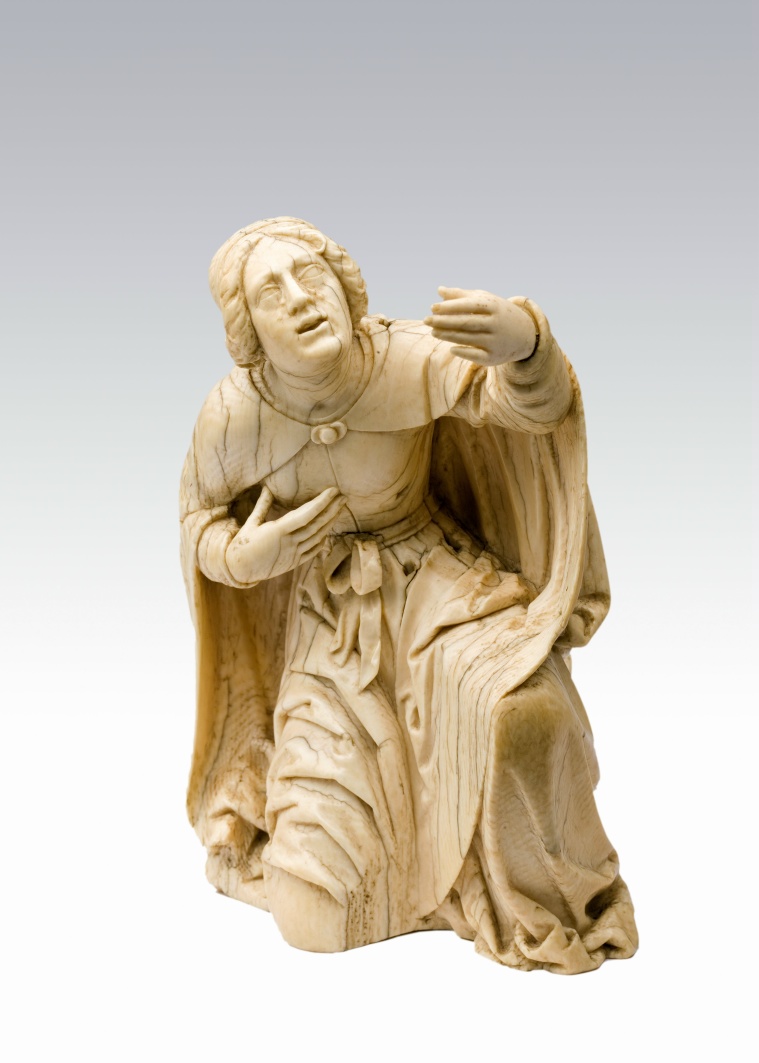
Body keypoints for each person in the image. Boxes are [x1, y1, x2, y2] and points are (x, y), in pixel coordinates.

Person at [179, 216, 638, 973]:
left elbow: (528, 409)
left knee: (525, 717)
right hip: (333, 636)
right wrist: (243, 554)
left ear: (345, 286)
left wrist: (528, 345)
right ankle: (397, 870)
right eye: (271, 291)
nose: (301, 297)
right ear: (248, 330)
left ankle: (481, 878)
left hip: (439, 591)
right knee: (311, 919)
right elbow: (199, 521)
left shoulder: (400, 358)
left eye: (312, 274)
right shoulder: (235, 414)